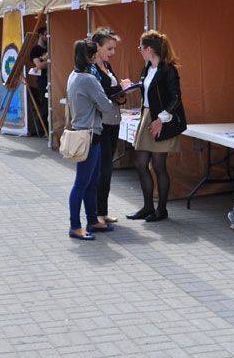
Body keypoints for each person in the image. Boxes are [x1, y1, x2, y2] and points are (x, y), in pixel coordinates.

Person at [126, 30, 187, 223]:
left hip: (162, 120)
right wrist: (133, 86)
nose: (139, 51)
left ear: (149, 49)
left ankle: (161, 210)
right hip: (147, 116)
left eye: (140, 48)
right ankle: (147, 207)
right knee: (140, 163)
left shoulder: (168, 69)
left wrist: (161, 119)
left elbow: (176, 97)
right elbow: (149, 91)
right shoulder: (147, 68)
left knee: (159, 165)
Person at [67, 39, 117, 241]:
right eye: (95, 53)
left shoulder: (74, 74)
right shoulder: (88, 78)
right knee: (82, 183)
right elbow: (106, 105)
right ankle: (75, 226)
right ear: (91, 56)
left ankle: (92, 220)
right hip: (89, 134)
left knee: (91, 182)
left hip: (84, 131)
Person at [89, 29, 130, 227]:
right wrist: (119, 89)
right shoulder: (91, 69)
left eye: (114, 48)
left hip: (113, 121)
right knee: (101, 169)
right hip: (101, 124)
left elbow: (113, 95)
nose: (112, 52)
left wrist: (123, 92)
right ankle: (96, 214)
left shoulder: (106, 65)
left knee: (107, 168)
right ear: (97, 46)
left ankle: (102, 212)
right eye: (109, 48)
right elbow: (98, 94)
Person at [28, 26, 49, 136]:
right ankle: (41, 130)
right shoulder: (35, 50)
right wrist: (50, 60)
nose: (47, 36)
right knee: (44, 105)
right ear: (40, 35)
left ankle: (45, 129)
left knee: (48, 105)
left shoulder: (49, 48)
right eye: (46, 34)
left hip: (50, 79)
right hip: (42, 81)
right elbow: (39, 65)